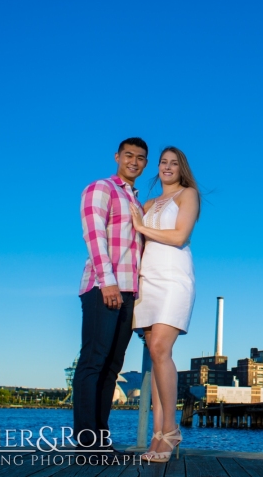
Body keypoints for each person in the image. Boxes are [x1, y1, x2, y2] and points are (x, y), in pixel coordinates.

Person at [74, 137, 148, 453]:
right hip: (103, 287)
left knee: (112, 368)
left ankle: (101, 443)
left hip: (130, 292)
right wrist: (108, 282)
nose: (134, 161)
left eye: (141, 158)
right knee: (93, 363)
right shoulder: (101, 188)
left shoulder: (137, 203)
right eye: (128, 155)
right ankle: (86, 445)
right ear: (117, 156)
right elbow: (94, 237)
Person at [129, 146, 200, 463]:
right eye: (163, 162)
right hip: (148, 279)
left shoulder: (188, 194)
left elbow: (180, 235)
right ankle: (159, 435)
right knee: (156, 354)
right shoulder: (146, 204)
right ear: (157, 168)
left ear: (181, 168)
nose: (167, 167)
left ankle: (170, 431)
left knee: (159, 347)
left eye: (174, 163)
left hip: (174, 277)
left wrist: (141, 226)